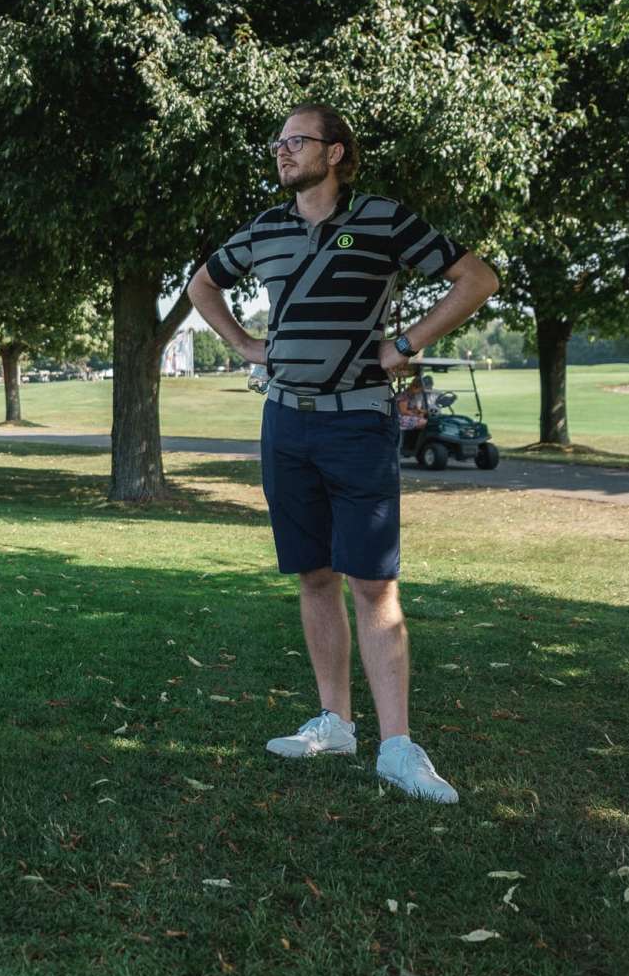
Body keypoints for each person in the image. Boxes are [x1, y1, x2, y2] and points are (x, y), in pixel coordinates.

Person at [187, 103, 498, 803]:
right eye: (278, 143)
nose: (282, 151)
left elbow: (477, 279)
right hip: (284, 424)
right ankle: (335, 721)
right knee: (314, 576)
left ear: (335, 152)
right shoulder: (264, 229)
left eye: (297, 141)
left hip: (358, 421)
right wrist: (242, 344)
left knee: (372, 583)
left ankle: (397, 746)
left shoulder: (385, 219)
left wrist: (406, 345)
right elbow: (201, 283)